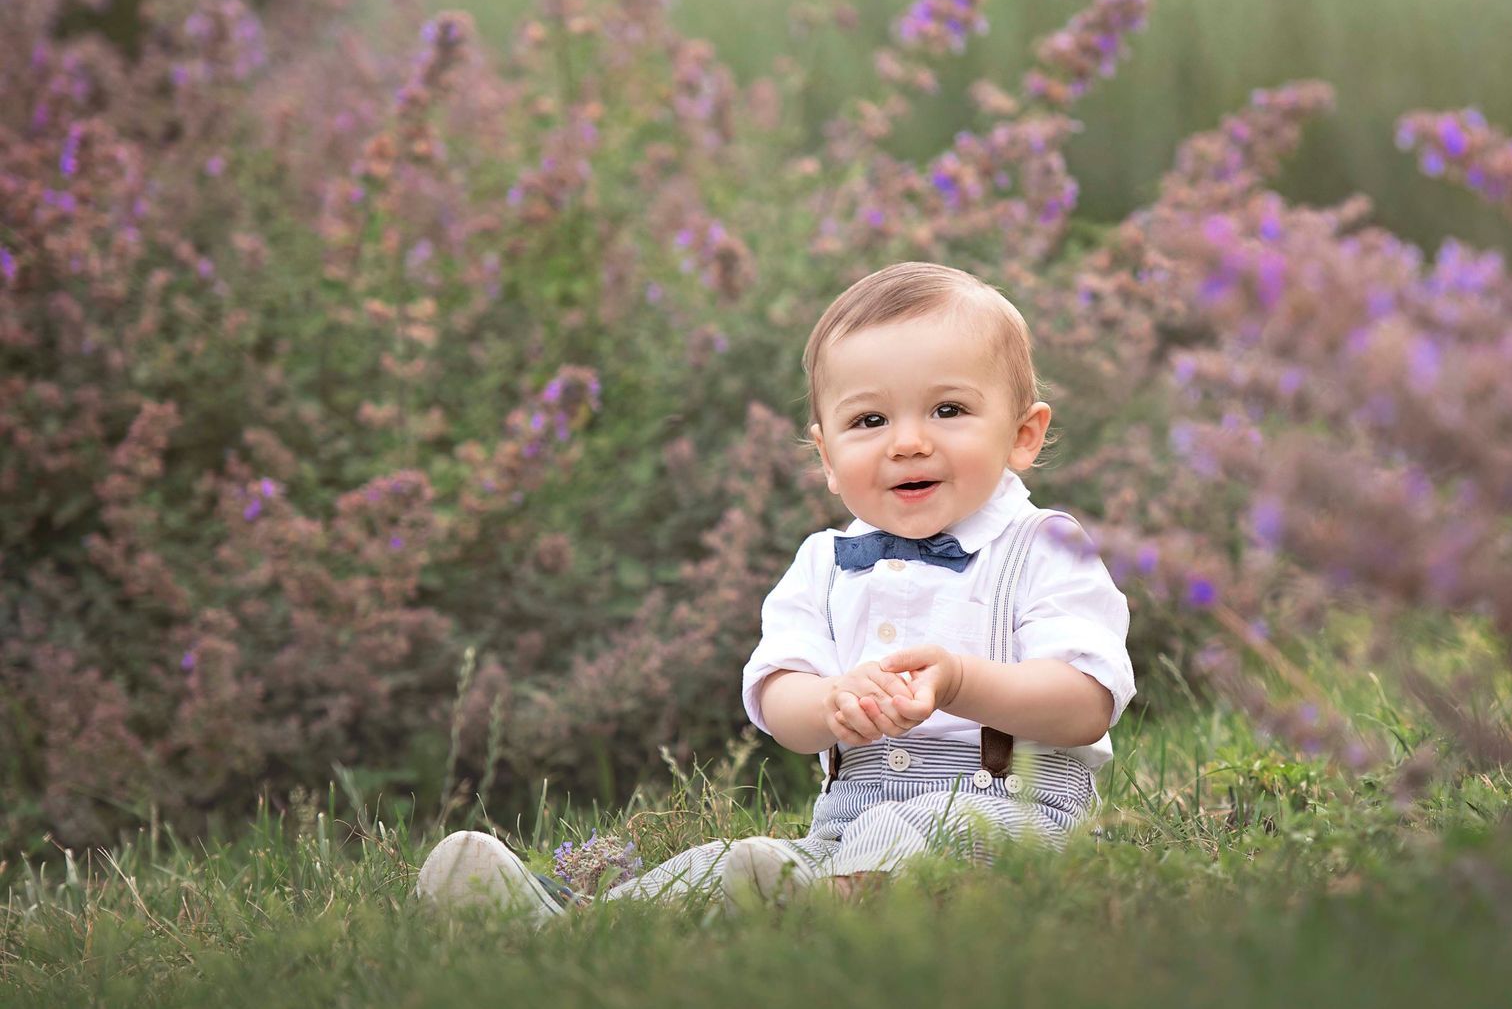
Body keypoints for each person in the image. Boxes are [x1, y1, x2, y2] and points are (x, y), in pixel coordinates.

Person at [416, 261, 1134, 921]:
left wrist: (961, 682)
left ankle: (807, 915)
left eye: (948, 410)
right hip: (846, 826)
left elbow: (1084, 700)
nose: (907, 442)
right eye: (869, 420)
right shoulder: (825, 562)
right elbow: (778, 697)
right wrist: (831, 704)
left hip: (1010, 814)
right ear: (826, 455)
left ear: (1023, 434)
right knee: (740, 861)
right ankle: (572, 921)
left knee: (898, 837)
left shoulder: (1045, 545)